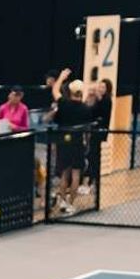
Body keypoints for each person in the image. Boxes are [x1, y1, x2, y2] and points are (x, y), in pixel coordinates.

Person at [49, 78, 92, 214]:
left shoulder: (64, 104)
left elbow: (55, 90)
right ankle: (70, 204)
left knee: (64, 174)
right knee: (76, 174)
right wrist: (86, 142)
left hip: (64, 142)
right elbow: (88, 129)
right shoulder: (85, 108)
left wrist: (61, 77)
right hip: (77, 143)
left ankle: (61, 200)